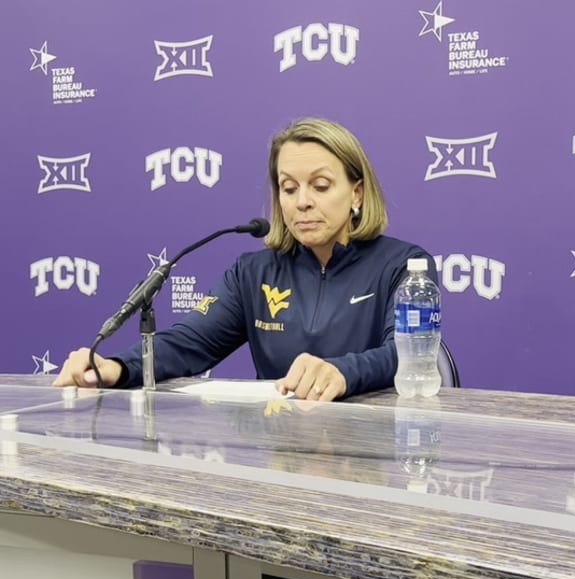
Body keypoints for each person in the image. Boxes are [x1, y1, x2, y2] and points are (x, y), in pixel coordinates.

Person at [53, 117, 437, 400]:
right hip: (282, 451)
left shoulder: (403, 266)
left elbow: (407, 355)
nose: (302, 201)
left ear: (356, 194)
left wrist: (342, 371)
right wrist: (117, 368)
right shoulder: (252, 273)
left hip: (375, 452)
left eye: (320, 186)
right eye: (288, 187)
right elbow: (189, 343)